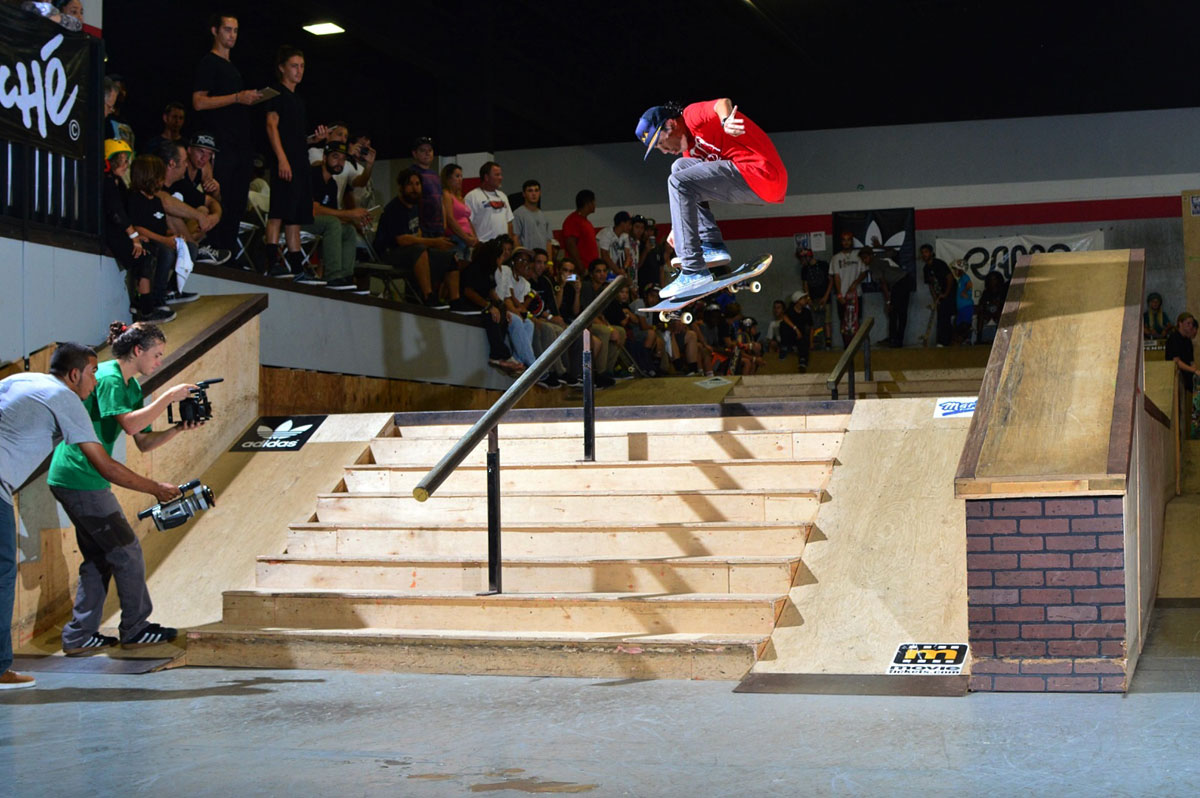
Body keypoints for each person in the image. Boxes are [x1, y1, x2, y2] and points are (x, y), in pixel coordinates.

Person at [0, 343, 179, 689]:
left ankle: (83, 634)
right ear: (74, 374)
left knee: (100, 556)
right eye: (92, 373)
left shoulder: (24, 380)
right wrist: (155, 487)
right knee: (4, 575)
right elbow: (105, 464)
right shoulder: (66, 399)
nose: (95, 382)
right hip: (27, 486)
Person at [48, 323, 204, 657]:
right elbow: (130, 424)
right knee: (127, 551)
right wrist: (167, 397)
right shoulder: (106, 377)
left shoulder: (131, 386)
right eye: (157, 354)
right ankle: (135, 628)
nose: (160, 362)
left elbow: (144, 442)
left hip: (81, 477)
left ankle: (79, 636)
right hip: (79, 476)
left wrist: (178, 428)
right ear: (137, 351)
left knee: (99, 558)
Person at [635, 100, 787, 299]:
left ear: (671, 124)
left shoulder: (691, 117)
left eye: (661, 143)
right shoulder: (690, 150)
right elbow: (687, 196)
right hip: (751, 183)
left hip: (761, 173)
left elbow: (722, 103)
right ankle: (711, 245)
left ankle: (692, 269)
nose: (664, 151)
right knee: (680, 167)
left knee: (678, 181)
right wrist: (677, 226)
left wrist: (726, 121)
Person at [193, 13, 262, 254]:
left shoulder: (232, 67)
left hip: (239, 143)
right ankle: (213, 246)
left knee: (238, 200)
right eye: (227, 30)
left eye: (235, 30)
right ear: (215, 31)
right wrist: (236, 97)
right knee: (220, 194)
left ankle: (229, 250)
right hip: (220, 143)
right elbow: (199, 102)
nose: (232, 35)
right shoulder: (208, 63)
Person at [264, 46, 325, 284]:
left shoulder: (298, 100)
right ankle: (271, 263)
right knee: (278, 211)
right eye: (294, 66)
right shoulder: (276, 94)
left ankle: (297, 266)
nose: (299, 71)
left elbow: (296, 137)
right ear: (282, 68)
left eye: (301, 66)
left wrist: (314, 140)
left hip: (299, 162)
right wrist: (281, 159)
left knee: (295, 215)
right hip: (285, 162)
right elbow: (271, 126)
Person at [374, 170, 461, 309]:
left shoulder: (415, 207)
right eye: (410, 184)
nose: (415, 188)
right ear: (401, 187)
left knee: (450, 256)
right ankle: (428, 296)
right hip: (389, 254)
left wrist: (436, 245)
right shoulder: (393, 209)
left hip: (410, 252)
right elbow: (402, 240)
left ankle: (456, 301)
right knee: (419, 250)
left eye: (417, 184)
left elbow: (417, 233)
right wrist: (433, 242)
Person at [304, 141, 370, 291]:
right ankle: (332, 275)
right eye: (335, 157)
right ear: (325, 157)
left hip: (318, 223)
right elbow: (313, 209)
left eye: (342, 159)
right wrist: (349, 213)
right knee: (333, 223)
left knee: (348, 229)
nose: (339, 162)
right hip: (298, 222)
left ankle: (345, 276)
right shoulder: (312, 175)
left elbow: (335, 214)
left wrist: (355, 218)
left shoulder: (332, 184)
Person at [459, 240, 525, 376]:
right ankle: (503, 354)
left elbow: (491, 291)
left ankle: (497, 354)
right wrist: (488, 306)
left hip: (483, 303)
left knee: (503, 314)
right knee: (492, 315)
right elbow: (469, 292)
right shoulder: (475, 269)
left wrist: (502, 306)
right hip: (468, 304)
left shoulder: (488, 270)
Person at [860, 247, 914, 348]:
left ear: (871, 256)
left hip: (900, 283)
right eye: (862, 259)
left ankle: (895, 340)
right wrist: (880, 245)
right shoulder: (880, 257)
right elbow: (893, 252)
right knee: (898, 313)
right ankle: (895, 338)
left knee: (894, 311)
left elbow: (883, 283)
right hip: (905, 280)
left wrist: (888, 301)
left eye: (865, 258)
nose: (864, 261)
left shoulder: (874, 264)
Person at [463, 162, 516, 245]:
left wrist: (509, 243)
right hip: (484, 246)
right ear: (486, 177)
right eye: (497, 175)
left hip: (503, 247)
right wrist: (476, 242)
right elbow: (468, 222)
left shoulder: (503, 196)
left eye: (500, 175)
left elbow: (509, 222)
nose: (501, 178)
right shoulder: (472, 196)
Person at [830, 232, 865, 347]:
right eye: (844, 240)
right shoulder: (836, 258)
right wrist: (839, 294)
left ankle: (855, 346)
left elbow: (863, 272)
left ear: (852, 241)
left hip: (856, 295)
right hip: (843, 295)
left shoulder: (858, 255)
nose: (846, 242)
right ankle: (847, 347)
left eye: (848, 240)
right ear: (841, 242)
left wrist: (855, 283)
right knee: (843, 321)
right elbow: (836, 276)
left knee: (856, 320)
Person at [440, 162, 477, 264]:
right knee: (457, 269)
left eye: (461, 176)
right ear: (448, 178)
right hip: (456, 238)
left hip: (467, 239)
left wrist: (474, 237)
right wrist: (465, 237)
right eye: (457, 176)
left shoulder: (460, 198)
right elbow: (449, 218)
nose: (460, 179)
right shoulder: (446, 195)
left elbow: (468, 220)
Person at [408, 137, 444, 237]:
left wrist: (443, 225)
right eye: (423, 150)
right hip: (423, 229)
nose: (427, 153)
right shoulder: (412, 173)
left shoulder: (435, 175)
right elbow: (410, 202)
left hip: (438, 229)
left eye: (430, 150)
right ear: (415, 154)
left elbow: (440, 201)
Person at [920, 244, 954, 347]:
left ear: (931, 252)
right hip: (939, 295)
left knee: (945, 316)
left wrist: (946, 294)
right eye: (922, 253)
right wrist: (935, 298)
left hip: (949, 292)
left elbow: (950, 278)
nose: (924, 254)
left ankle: (945, 341)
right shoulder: (926, 268)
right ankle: (942, 341)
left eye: (926, 252)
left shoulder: (939, 264)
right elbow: (930, 285)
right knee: (940, 316)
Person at [798, 247, 832, 350]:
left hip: (825, 296)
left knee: (827, 320)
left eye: (803, 258)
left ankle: (828, 343)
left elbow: (831, 281)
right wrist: (808, 298)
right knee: (813, 321)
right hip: (813, 298)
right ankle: (814, 342)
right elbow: (805, 284)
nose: (802, 261)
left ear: (808, 257)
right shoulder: (804, 269)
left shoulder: (823, 265)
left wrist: (826, 296)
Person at [512, 180, 553, 257]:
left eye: (536, 190)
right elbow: (515, 238)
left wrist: (549, 262)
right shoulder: (518, 214)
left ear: (540, 193)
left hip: (542, 261)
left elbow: (548, 241)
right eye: (530, 191)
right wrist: (521, 257)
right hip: (527, 259)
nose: (534, 194)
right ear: (524, 194)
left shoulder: (544, 216)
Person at [953, 261, 974, 344]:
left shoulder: (965, 277)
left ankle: (966, 340)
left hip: (966, 306)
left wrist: (964, 291)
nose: (955, 272)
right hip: (961, 307)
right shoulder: (961, 279)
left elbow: (969, 284)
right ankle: (962, 340)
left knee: (965, 325)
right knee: (959, 325)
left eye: (956, 270)